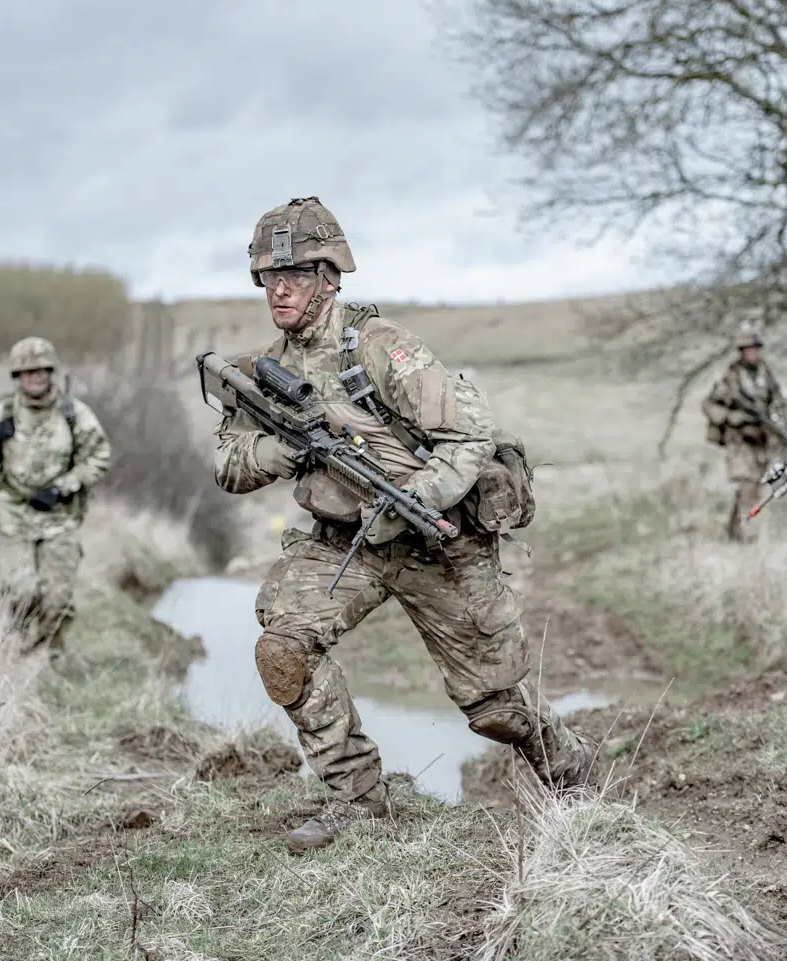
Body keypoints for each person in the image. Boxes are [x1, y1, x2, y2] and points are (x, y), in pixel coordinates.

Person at [212, 197, 591, 854]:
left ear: (331, 276)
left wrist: (413, 495)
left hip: (433, 543)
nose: (281, 288)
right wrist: (280, 451)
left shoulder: (384, 351)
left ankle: (567, 768)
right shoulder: (264, 372)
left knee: (497, 710)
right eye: (270, 277)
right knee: (285, 650)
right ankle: (358, 798)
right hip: (343, 545)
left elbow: (469, 436)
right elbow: (227, 458)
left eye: (297, 274)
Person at [0, 337, 111, 659]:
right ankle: (20, 644)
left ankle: (48, 656)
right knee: (23, 591)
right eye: (27, 372)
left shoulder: (73, 413)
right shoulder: (4, 412)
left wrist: (64, 486)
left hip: (59, 517)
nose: (35, 378)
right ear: (17, 376)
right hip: (12, 515)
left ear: (52, 372)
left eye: (41, 371)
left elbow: (99, 456)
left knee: (59, 601)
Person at [702, 324, 787, 540]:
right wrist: (732, 418)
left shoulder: (765, 373)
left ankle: (733, 530)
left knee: (752, 489)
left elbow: (777, 401)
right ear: (740, 351)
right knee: (747, 486)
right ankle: (747, 536)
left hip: (760, 438)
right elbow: (709, 405)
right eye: (747, 349)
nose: (752, 352)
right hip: (739, 440)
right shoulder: (729, 378)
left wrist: (779, 426)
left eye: (755, 348)